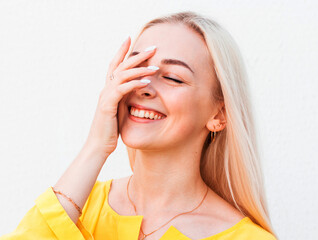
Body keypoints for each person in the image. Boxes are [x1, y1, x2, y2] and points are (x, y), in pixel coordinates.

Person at [1, 11, 278, 240]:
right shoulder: (76, 204)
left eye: (172, 77)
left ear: (219, 114)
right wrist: (96, 147)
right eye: (136, 69)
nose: (143, 87)